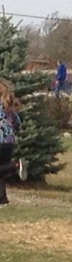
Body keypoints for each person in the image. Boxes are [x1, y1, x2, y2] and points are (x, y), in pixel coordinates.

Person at [0, 78, 27, 207]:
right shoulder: (8, 106)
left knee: (2, 169)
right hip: (9, 141)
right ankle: (3, 200)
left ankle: (15, 165)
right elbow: (17, 123)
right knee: (0, 171)